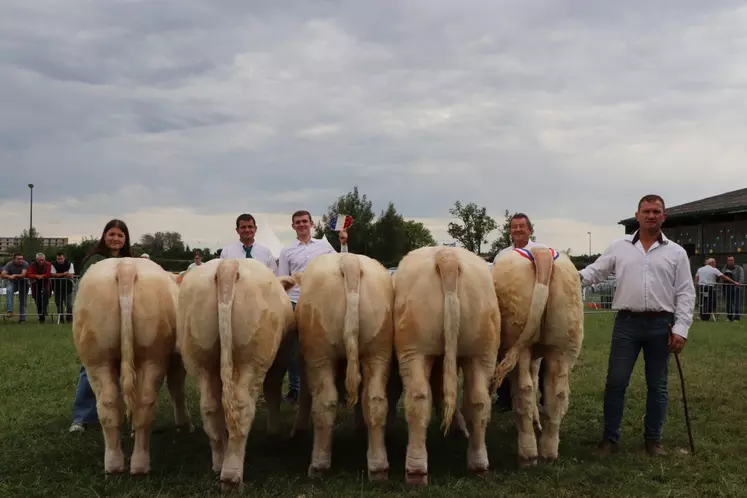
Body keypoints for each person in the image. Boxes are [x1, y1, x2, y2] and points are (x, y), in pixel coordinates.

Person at [579, 194, 696, 456]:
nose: (651, 215)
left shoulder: (677, 253)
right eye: (646, 211)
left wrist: (681, 328)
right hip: (627, 325)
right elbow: (595, 272)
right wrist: (566, 277)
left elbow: (686, 293)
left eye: (656, 211)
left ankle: (653, 440)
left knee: (658, 385)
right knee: (616, 382)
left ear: (664, 216)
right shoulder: (619, 246)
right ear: (637, 215)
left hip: (661, 326)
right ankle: (610, 439)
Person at [276, 210, 348, 403]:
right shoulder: (286, 251)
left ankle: (334, 387)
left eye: (304, 221)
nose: (301, 225)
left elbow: (342, 263)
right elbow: (283, 280)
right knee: (293, 348)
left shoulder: (324, 246)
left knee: (329, 343)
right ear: (293, 226)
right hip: (295, 301)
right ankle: (295, 389)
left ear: (311, 224)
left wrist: (343, 243)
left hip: (322, 301)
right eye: (297, 222)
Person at [69, 219, 133, 433]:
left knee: (123, 366)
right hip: (98, 319)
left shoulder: (129, 261)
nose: (115, 239)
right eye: (112, 234)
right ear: (104, 236)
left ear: (125, 240)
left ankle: (115, 411)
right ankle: (82, 417)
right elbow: (87, 291)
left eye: (120, 235)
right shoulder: (94, 260)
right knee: (92, 368)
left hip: (124, 320)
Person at [492, 213, 548, 413]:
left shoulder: (539, 251)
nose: (517, 230)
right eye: (514, 227)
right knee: (506, 354)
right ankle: (505, 397)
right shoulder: (502, 255)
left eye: (521, 226)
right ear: (510, 231)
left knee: (540, 357)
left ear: (530, 230)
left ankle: (544, 399)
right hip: (509, 312)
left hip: (534, 308)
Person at [2, 253, 29, 323]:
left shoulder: (25, 264)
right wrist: (9, 276)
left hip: (23, 282)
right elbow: (2, 274)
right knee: (9, 290)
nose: (21, 260)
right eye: (18, 259)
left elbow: (23, 275)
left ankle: (22, 319)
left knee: (22, 300)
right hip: (12, 282)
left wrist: (14, 275)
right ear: (14, 259)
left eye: (21, 258)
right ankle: (10, 311)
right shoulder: (9, 264)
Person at [26, 252, 52, 323]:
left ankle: (45, 310)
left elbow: (48, 274)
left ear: (44, 259)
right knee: (37, 300)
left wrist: (41, 276)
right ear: (36, 259)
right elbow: (29, 274)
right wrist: (37, 276)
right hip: (35, 284)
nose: (41, 261)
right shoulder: (32, 265)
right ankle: (41, 316)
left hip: (45, 283)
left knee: (46, 295)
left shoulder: (48, 264)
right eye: (39, 260)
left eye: (42, 260)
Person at [51, 251, 75, 323]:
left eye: (61, 259)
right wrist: (64, 274)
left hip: (68, 287)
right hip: (57, 287)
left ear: (64, 258)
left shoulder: (70, 264)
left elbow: (71, 275)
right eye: (58, 259)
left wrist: (59, 275)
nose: (60, 260)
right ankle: (60, 318)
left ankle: (69, 318)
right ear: (56, 258)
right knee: (59, 304)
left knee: (69, 304)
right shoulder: (53, 264)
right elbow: (53, 274)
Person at [721, 256, 744, 321]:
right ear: (727, 261)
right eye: (729, 260)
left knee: (737, 303)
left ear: (734, 261)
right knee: (728, 303)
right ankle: (729, 317)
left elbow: (741, 278)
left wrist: (738, 285)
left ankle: (737, 317)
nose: (730, 261)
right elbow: (721, 277)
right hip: (727, 288)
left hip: (736, 288)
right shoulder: (724, 268)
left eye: (732, 260)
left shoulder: (739, 268)